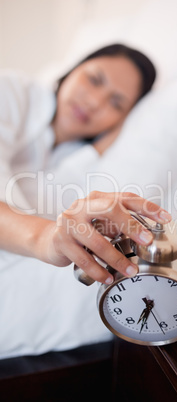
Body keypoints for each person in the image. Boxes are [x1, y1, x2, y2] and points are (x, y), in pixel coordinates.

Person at [0, 43, 166, 358]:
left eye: (116, 103)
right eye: (94, 79)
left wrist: (95, 152)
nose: (94, 102)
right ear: (72, 69)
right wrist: (44, 237)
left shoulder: (78, 160)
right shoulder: (10, 92)